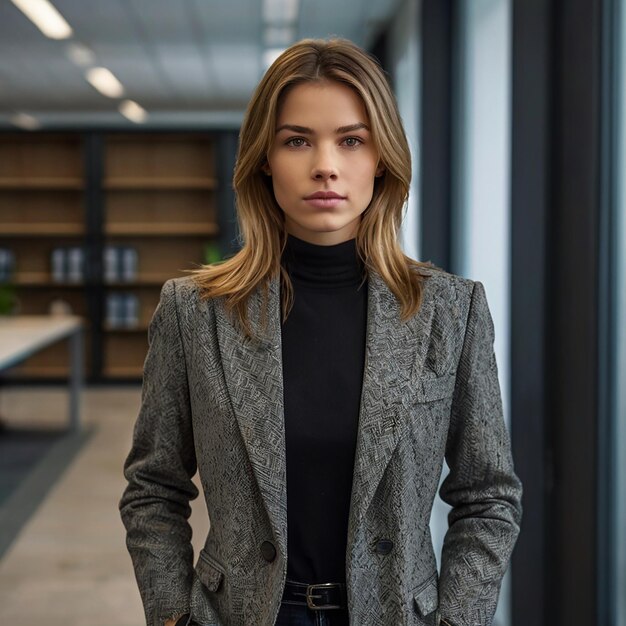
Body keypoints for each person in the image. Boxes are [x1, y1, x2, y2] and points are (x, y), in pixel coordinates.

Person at [119, 38, 522, 626]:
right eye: (297, 140)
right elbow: (153, 487)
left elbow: (488, 496)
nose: (325, 165)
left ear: (381, 157)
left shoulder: (450, 312)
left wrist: (458, 619)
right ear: (264, 157)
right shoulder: (194, 313)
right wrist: (175, 615)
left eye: (351, 140)